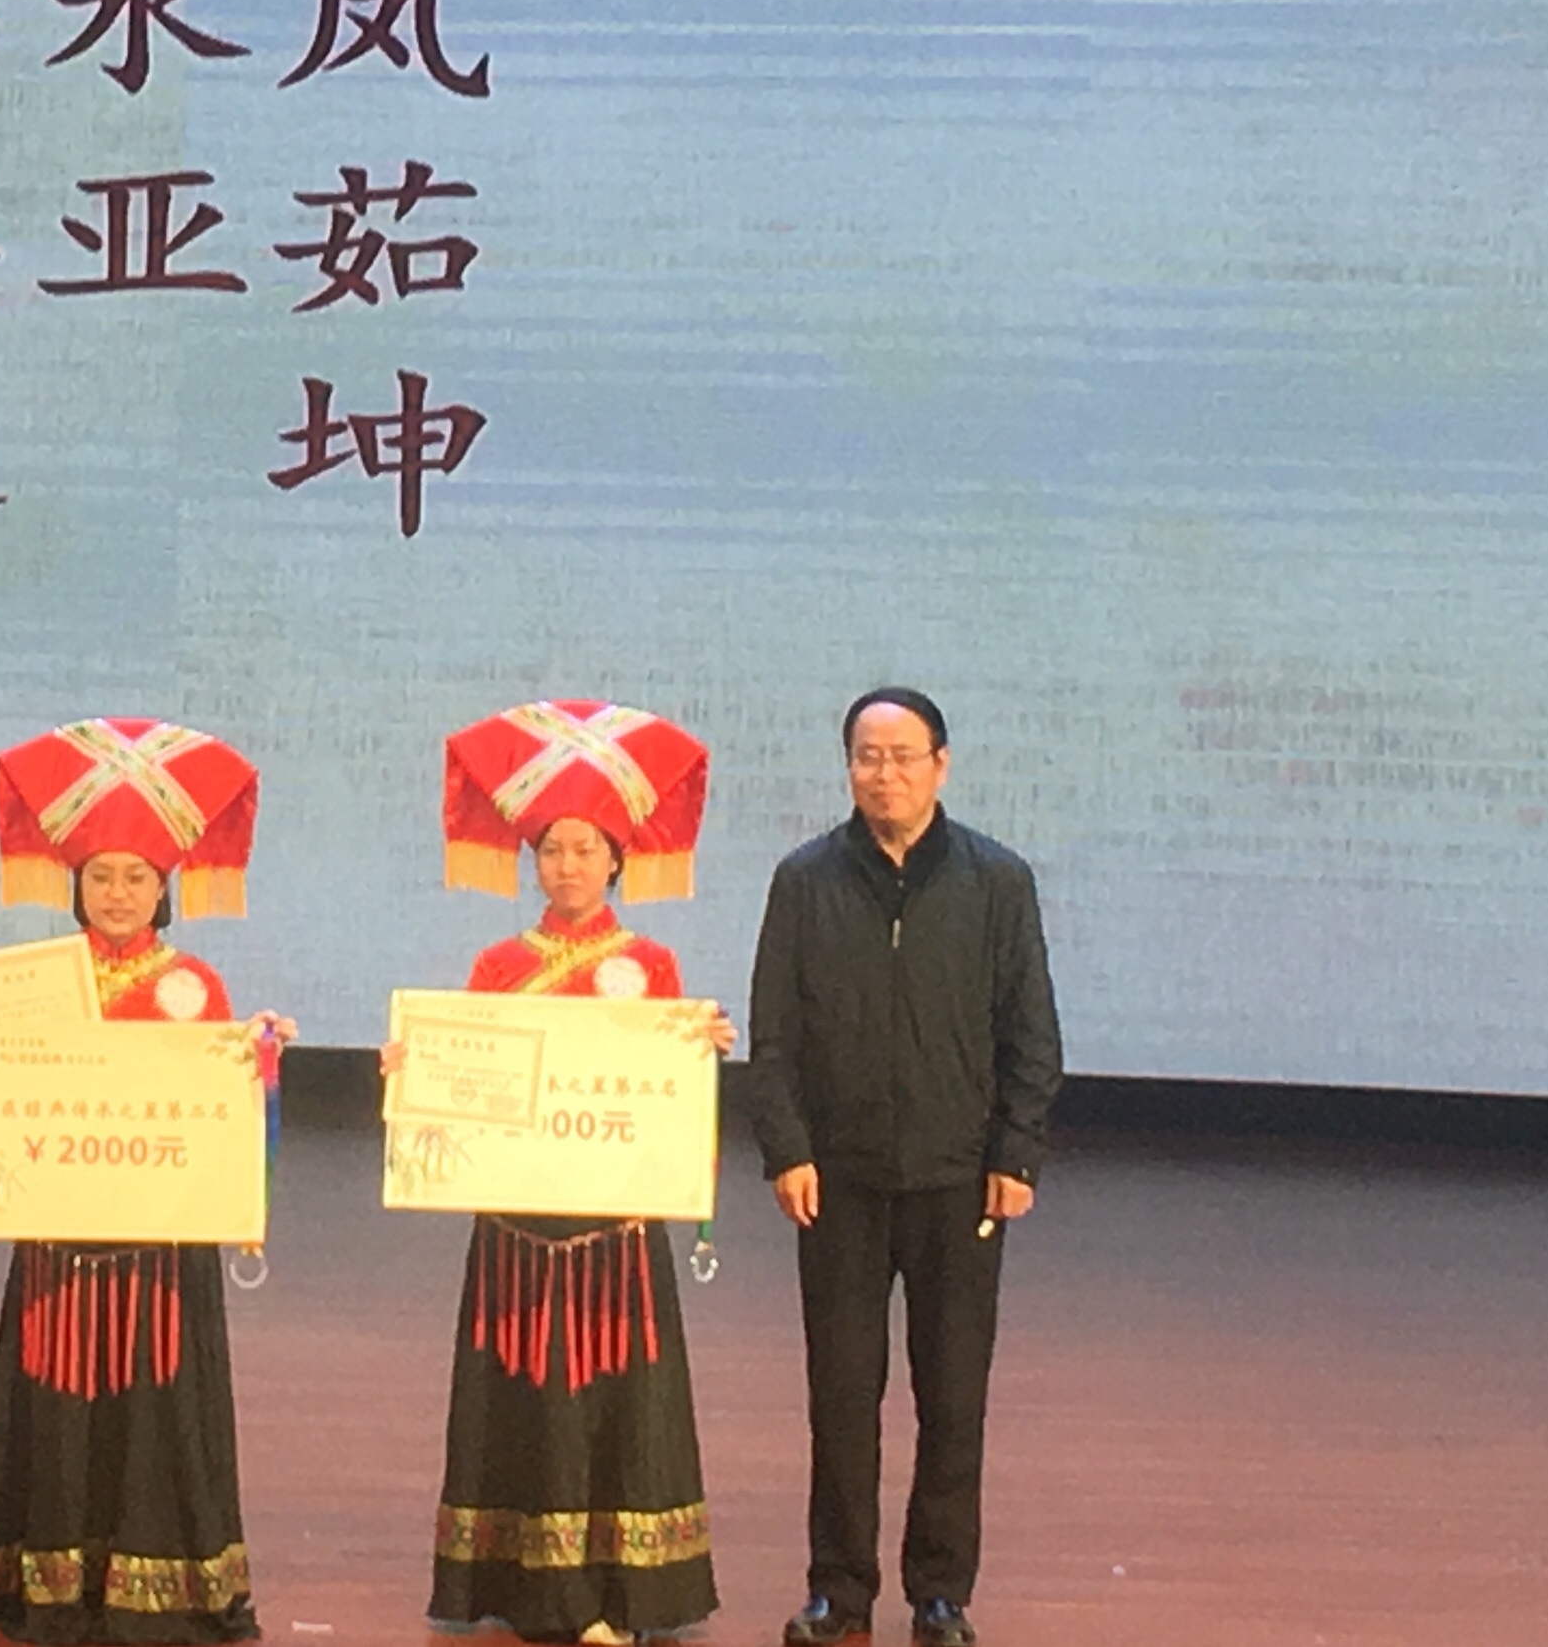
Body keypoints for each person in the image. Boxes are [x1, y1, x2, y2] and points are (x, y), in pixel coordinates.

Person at [0, 717, 288, 1645]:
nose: (119, 893)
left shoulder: (196, 987)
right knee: (54, 1406)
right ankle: (51, 1583)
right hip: (58, 1240)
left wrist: (257, 1061)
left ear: (165, 886)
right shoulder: (29, 986)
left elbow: (221, 1116)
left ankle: (160, 1583)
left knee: (155, 1407)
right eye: (101, 876)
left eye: (137, 876)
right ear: (76, 884)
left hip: (159, 1248)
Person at [414, 700, 731, 1646]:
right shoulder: (498, 965)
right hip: (517, 1234)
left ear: (616, 859)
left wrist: (698, 1054)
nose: (568, 866)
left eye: (586, 849)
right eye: (551, 850)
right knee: (524, 1404)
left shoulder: (652, 965)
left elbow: (667, 1101)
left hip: (614, 1236)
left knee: (616, 1407)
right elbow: (463, 1090)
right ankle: (527, 1589)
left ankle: (625, 1594)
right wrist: (417, 1069)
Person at [750, 690, 1062, 1647]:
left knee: (952, 1397)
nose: (883, 773)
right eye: (866, 755)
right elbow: (773, 1034)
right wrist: (787, 1149)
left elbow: (1032, 1031)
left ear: (941, 764)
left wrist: (1016, 1151)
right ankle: (838, 1588)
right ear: (847, 765)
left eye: (901, 755)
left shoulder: (995, 880)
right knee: (842, 1398)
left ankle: (940, 1592)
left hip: (957, 1181)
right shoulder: (804, 880)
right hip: (837, 1184)